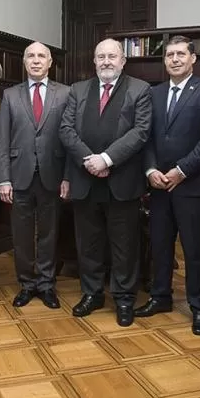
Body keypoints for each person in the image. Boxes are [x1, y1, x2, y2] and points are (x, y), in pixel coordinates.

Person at [59, 38, 152, 327]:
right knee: (88, 243)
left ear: (123, 60)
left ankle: (124, 298)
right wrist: (90, 159)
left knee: (124, 245)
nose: (106, 61)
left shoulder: (140, 90)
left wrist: (107, 159)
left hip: (121, 181)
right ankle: (92, 293)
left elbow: (141, 131)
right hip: (85, 179)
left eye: (112, 56)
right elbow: (65, 129)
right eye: (101, 56)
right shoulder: (78, 90)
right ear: (94, 61)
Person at [135, 36, 200, 332]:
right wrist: (150, 171)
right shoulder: (154, 93)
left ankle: (199, 306)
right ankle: (160, 297)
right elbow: (145, 137)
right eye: (169, 55)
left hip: (192, 186)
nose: (174, 59)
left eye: (180, 54)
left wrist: (181, 170)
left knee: (195, 250)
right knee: (160, 246)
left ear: (192, 59)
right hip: (159, 187)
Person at [0, 42, 70, 309]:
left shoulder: (65, 93)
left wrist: (68, 176)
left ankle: (47, 284)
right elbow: (2, 140)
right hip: (19, 176)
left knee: (50, 233)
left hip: (53, 174)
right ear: (24, 62)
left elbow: (71, 139)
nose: (36, 60)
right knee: (22, 234)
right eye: (31, 56)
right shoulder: (10, 95)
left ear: (50, 62)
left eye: (41, 56)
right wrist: (4, 179)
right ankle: (27, 284)